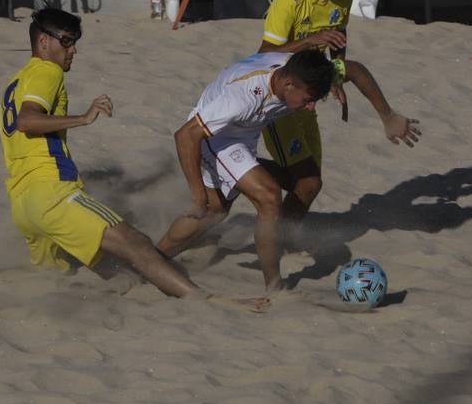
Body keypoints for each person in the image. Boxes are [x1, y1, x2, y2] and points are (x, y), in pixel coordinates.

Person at [0, 8, 268, 311]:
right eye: (67, 41)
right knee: (136, 243)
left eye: (75, 42)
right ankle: (208, 300)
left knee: (75, 274)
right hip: (52, 194)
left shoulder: (17, 80)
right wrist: (84, 119)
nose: (72, 50)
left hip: (23, 205)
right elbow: (27, 121)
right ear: (43, 42)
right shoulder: (47, 71)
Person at [160, 49, 414, 292]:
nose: (311, 107)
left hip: (244, 134)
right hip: (217, 137)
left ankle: (154, 258)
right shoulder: (241, 97)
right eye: (308, 99)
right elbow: (185, 136)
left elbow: (355, 70)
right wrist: (197, 195)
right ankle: (274, 287)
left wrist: (388, 116)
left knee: (225, 209)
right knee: (267, 197)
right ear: (289, 84)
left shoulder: (309, 71)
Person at [257, 0, 419, 223]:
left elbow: (339, 37)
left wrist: (334, 74)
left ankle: (285, 235)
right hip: (279, 102)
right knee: (307, 182)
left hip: (308, 98)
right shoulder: (290, 0)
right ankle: (274, 230)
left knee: (309, 184)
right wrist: (310, 40)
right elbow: (264, 54)